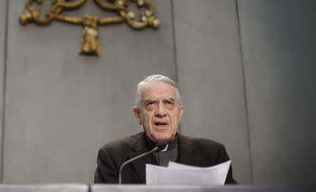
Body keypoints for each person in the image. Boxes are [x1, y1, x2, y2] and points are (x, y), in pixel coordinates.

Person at [94, 74, 237, 184]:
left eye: (168, 103)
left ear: (179, 113)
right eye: (151, 104)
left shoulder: (212, 154)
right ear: (138, 115)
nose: (161, 112)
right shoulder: (115, 156)